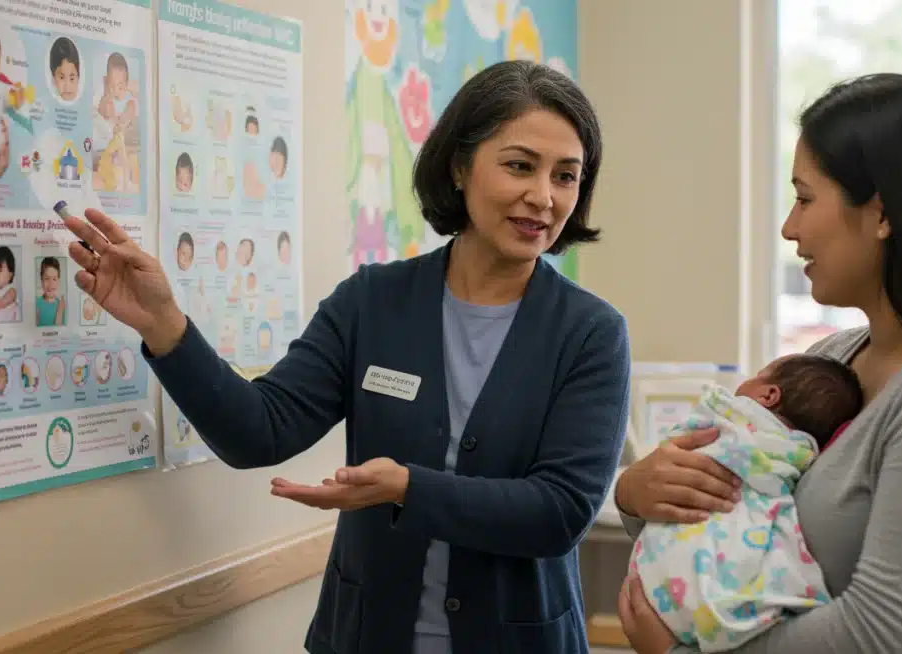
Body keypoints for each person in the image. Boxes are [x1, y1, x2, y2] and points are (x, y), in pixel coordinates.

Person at [60, 60, 626, 654]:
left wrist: (409, 487)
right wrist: (164, 324)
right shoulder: (372, 302)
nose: (543, 196)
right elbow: (259, 430)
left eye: (566, 176)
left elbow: (559, 512)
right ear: (460, 167)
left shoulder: (591, 335)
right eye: (519, 165)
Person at [613, 72, 902, 654]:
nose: (789, 227)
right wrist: (636, 494)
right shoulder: (832, 361)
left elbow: (882, 639)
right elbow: (740, 525)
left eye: (805, 198)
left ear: (881, 213)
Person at [628, 354, 861, 652]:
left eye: (757, 375)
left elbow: (679, 443)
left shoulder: (726, 415)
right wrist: (629, 490)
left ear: (768, 395)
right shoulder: (799, 450)